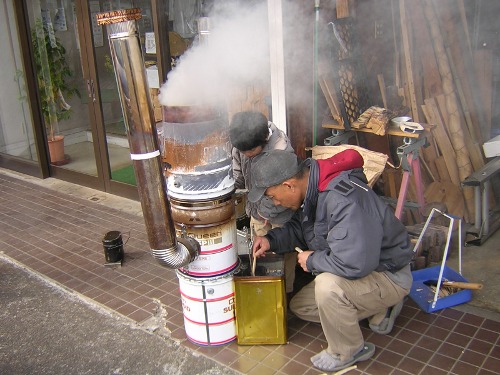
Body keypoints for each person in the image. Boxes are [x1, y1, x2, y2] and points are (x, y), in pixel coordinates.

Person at [249, 148, 413, 372]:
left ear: (289, 185)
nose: (275, 203)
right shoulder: (313, 188)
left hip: (388, 274)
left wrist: (313, 260)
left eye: (272, 196)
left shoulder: (342, 199)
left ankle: (347, 350)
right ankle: (379, 306)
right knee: (302, 307)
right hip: (364, 269)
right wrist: (271, 240)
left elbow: (354, 263)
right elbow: (301, 229)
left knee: (328, 287)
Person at [229, 111, 297, 293]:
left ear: (265, 139)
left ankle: (284, 293)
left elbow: (284, 190)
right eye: (243, 151)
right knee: (259, 251)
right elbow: (239, 176)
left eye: (250, 151)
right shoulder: (241, 144)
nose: (246, 154)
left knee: (282, 254)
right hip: (257, 209)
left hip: (281, 212)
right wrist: (230, 190)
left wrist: (266, 212)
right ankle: (263, 290)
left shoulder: (280, 148)